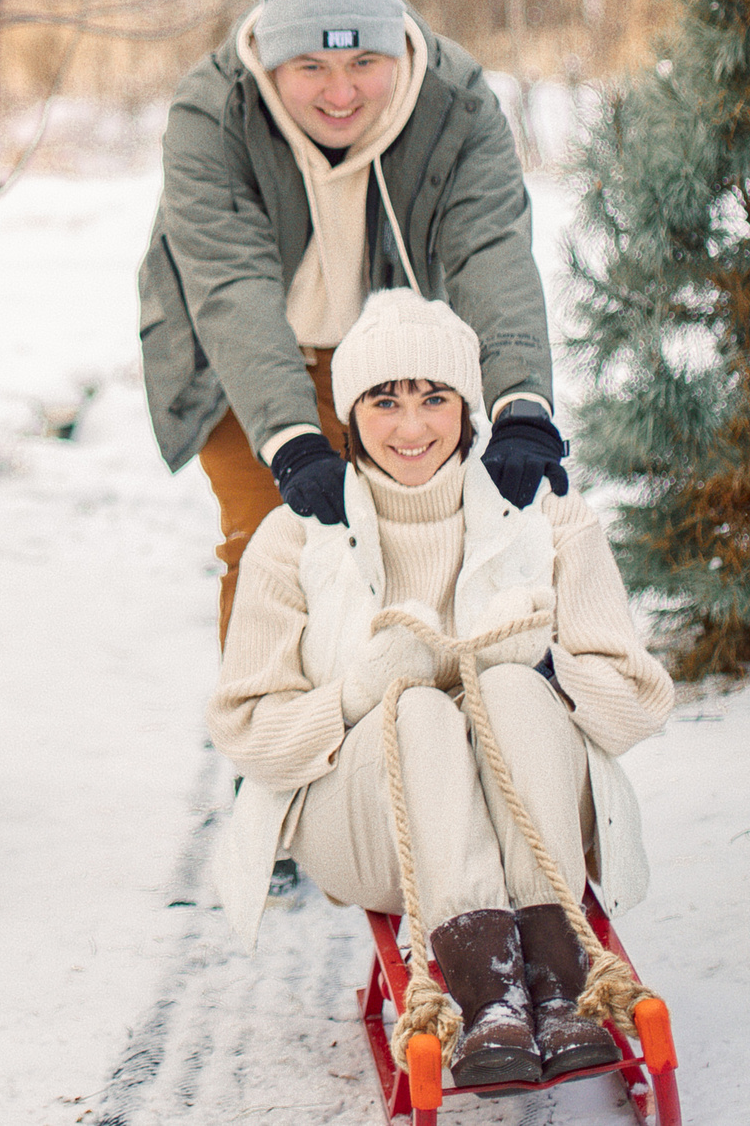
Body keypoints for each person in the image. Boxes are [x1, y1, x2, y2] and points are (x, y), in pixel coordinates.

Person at [205, 290, 673, 1086]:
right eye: (385, 400)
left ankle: (559, 981)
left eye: (435, 397)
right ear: (351, 412)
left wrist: (550, 669)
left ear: (469, 405)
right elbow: (247, 728)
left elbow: (638, 699)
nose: (412, 426)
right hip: (373, 823)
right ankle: (482, 991)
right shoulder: (296, 535)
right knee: (419, 708)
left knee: (515, 695)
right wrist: (355, 692)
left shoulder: (546, 512)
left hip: (539, 814)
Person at [138, 0, 565, 645]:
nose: (340, 93)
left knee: (409, 545)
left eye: (364, 61)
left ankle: (392, 728)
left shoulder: (457, 101)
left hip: (387, 355)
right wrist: (294, 439)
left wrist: (521, 401)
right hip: (237, 358)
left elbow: (489, 248)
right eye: (310, 67)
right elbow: (229, 283)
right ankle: (267, 737)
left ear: (398, 44)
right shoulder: (212, 113)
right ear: (270, 60)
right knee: (271, 542)